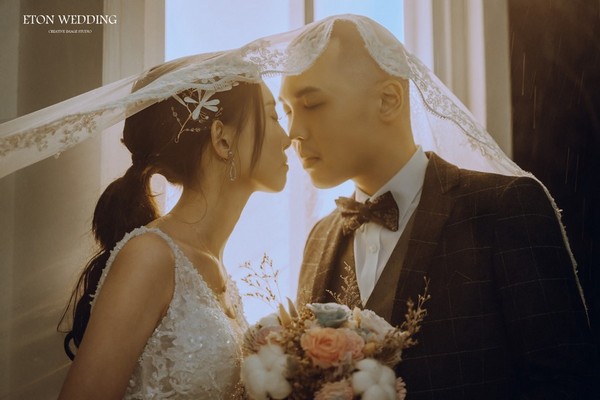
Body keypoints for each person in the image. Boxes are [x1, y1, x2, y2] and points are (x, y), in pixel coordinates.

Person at [279, 16, 595, 399]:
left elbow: (566, 384)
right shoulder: (320, 237)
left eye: (312, 104)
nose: (293, 132)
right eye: (287, 110)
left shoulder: (506, 208)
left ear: (389, 100)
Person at [55, 55, 290, 399]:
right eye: (273, 116)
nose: (288, 138)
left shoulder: (217, 268)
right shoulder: (150, 256)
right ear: (223, 140)